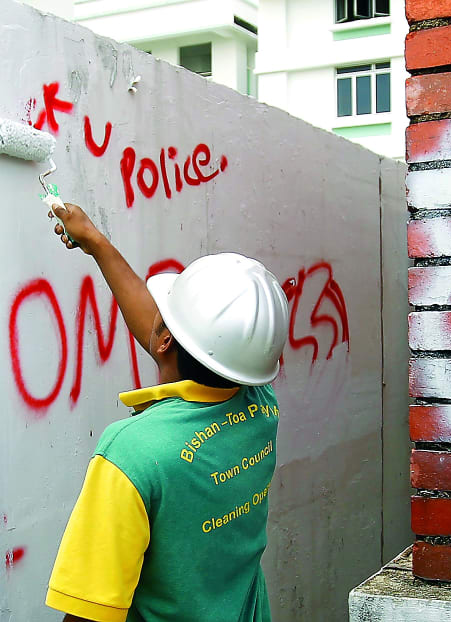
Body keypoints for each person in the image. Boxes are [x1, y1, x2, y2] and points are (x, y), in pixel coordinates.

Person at [44, 202, 289, 622]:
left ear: (165, 342)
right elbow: (176, 341)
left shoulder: (134, 455)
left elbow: (88, 612)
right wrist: (96, 243)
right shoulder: (261, 409)